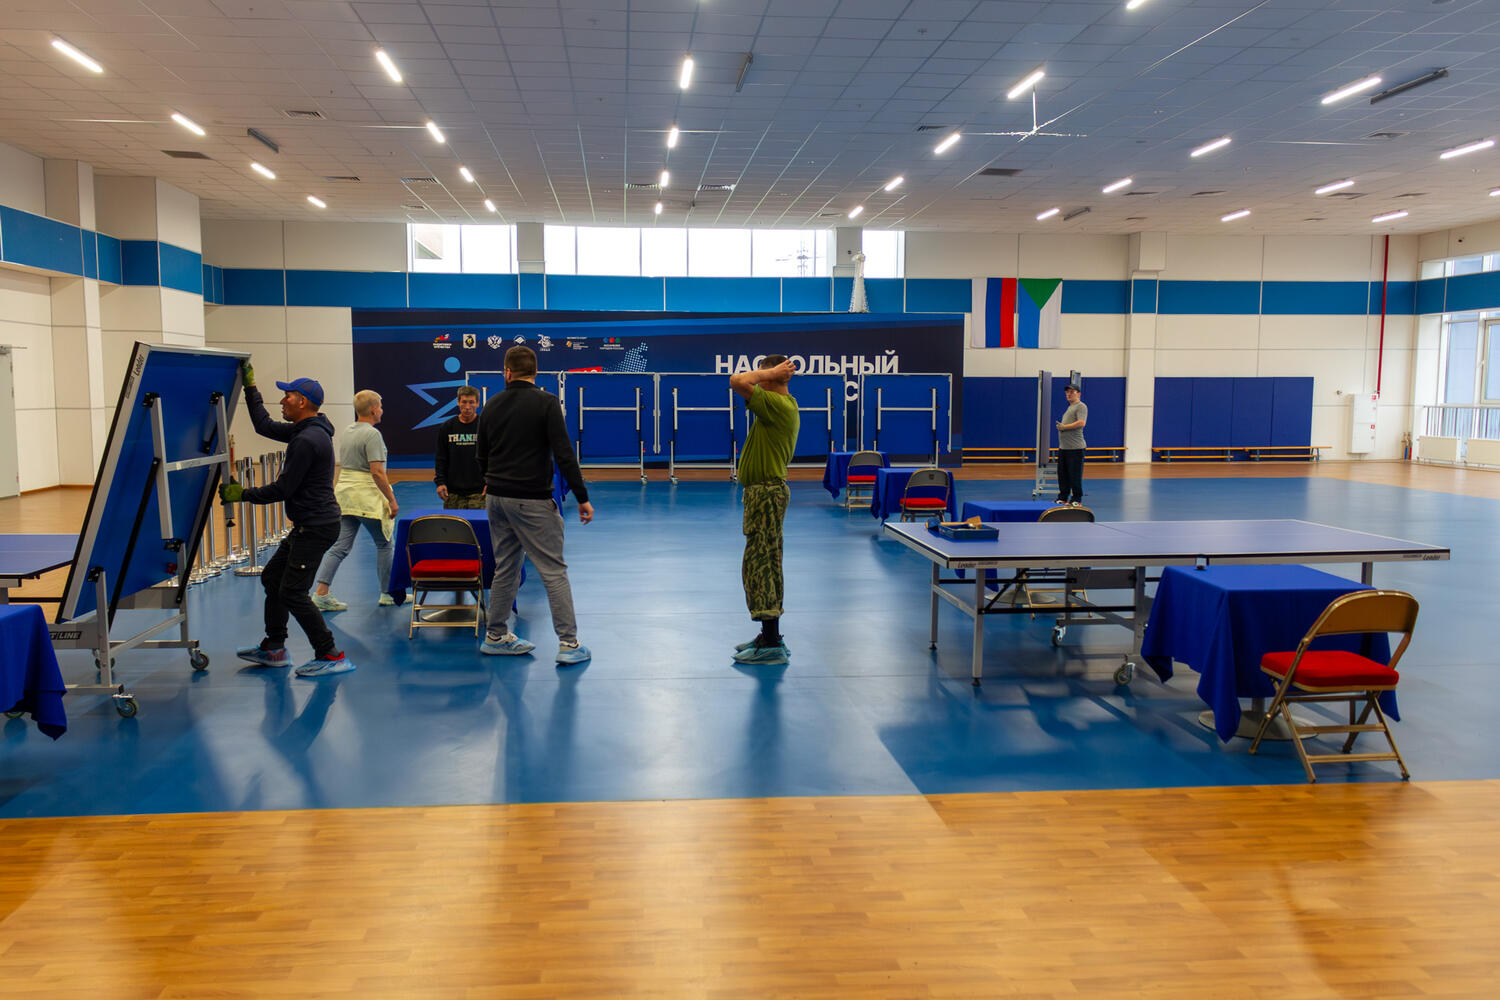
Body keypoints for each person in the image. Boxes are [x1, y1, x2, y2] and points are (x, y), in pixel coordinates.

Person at [222, 363, 354, 677]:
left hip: (316, 527)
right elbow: (263, 425)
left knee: (293, 592)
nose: (282, 401)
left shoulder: (307, 440)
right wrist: (250, 388)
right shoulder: (305, 430)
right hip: (308, 525)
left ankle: (330, 654)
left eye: (288, 395)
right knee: (272, 579)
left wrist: (243, 494)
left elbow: (284, 488)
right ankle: (274, 647)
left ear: (303, 402)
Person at [474, 345, 594, 664]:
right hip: (532, 500)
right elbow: (564, 454)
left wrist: (492, 479)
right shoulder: (547, 403)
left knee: (506, 567)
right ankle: (569, 644)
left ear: (507, 372)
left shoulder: (491, 405)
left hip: (496, 499)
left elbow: (480, 455)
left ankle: (495, 635)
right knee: (553, 570)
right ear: (535, 372)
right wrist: (581, 497)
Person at [729, 356, 799, 666]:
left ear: (770, 378)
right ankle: (770, 636)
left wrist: (770, 373)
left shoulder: (778, 404)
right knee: (763, 562)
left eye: (762, 375)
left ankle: (771, 643)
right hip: (764, 493)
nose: (756, 380)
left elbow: (737, 381)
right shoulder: (777, 406)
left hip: (766, 494)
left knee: (762, 564)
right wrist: (771, 374)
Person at [312, 389, 400, 611]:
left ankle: (321, 593)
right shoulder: (372, 434)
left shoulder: (348, 431)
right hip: (366, 497)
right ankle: (387, 593)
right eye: (380, 407)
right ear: (374, 410)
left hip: (345, 497)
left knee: (340, 547)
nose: (382, 410)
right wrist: (391, 500)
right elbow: (377, 472)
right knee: (385, 544)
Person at [435, 386, 485, 508]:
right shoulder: (447, 427)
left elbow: (493, 457)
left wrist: (491, 482)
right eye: (464, 402)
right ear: (458, 402)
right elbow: (441, 457)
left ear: (478, 403)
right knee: (453, 521)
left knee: (478, 521)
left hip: (480, 492)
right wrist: (440, 482)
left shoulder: (485, 426)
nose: (467, 407)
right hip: (452, 492)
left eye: (471, 402)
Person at [1056, 383, 1088, 506]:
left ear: (1078, 394)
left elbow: (1081, 423)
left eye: (1071, 392)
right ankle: (1063, 497)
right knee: (1063, 474)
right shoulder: (1070, 407)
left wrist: (1064, 427)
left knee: (1074, 475)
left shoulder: (1081, 406)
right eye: (1067, 392)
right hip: (1064, 447)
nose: (1068, 394)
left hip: (1075, 448)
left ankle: (1076, 499)